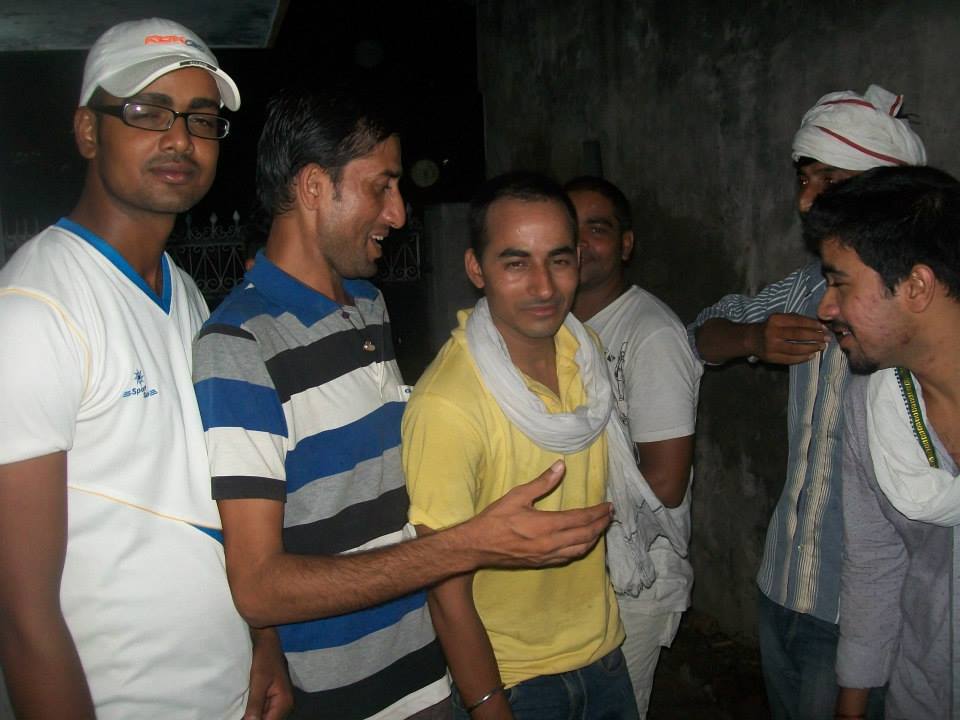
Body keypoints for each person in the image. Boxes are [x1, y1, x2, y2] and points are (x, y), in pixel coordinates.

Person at [192, 92, 614, 720]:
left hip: (428, 674)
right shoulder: (239, 344)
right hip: (347, 700)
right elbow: (258, 587)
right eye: (381, 186)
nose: (397, 212)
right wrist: (468, 545)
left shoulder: (367, 305)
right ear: (313, 187)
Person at [0, 18, 291, 720]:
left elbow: (210, 496)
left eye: (200, 118)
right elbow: (20, 614)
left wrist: (263, 640)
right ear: (88, 131)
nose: (180, 139)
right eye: (147, 111)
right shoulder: (35, 310)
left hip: (226, 692)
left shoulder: (184, 293)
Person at [687, 84, 925, 719]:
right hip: (782, 585)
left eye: (829, 179)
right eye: (803, 177)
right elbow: (701, 333)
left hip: (865, 612)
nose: (805, 199)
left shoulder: (922, 306)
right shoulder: (804, 288)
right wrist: (752, 340)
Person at [402, 171, 676, 719]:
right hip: (512, 681)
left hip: (605, 656)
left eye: (559, 259)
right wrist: (489, 704)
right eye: (516, 263)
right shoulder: (448, 404)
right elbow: (444, 588)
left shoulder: (585, 352)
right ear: (476, 269)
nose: (545, 287)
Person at [803, 165, 960, 719]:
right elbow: (875, 563)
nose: (825, 308)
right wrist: (851, 705)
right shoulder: (876, 406)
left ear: (915, 286)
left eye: (840, 283)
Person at [565, 176, 702, 716]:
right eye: (568, 229)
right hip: (579, 567)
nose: (579, 243)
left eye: (596, 229)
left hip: (637, 576)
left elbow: (665, 483)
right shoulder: (558, 328)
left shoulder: (650, 333)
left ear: (625, 244)